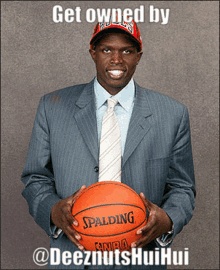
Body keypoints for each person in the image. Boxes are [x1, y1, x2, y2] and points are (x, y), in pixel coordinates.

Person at [21, 18, 196, 269]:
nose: (117, 59)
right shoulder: (53, 107)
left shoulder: (172, 113)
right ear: (93, 53)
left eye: (126, 51)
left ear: (139, 56)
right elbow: (34, 178)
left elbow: (183, 187)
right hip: (72, 257)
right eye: (107, 50)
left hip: (141, 258)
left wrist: (168, 219)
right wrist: (53, 210)